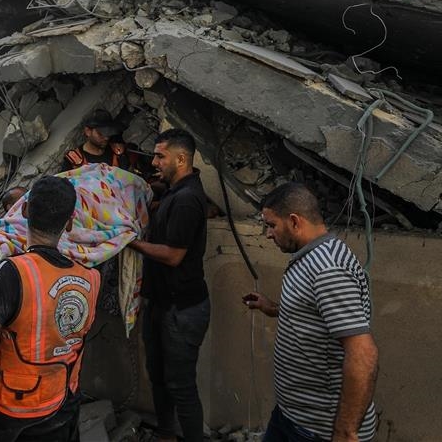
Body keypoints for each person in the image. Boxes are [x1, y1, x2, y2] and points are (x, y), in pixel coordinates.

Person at [0, 176, 101, 442]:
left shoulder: (12, 272)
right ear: (70, 222)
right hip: (65, 405)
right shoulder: (91, 278)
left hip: (18, 416)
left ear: (24, 211)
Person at [243, 182, 378, 442]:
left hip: (318, 429)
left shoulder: (328, 269)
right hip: (292, 415)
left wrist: (345, 432)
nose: (268, 234)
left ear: (294, 221)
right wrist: (273, 308)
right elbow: (317, 314)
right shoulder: (311, 257)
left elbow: (363, 353)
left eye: (271, 225)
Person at [127, 128, 210, 442]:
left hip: (181, 310)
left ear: (181, 159)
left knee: (181, 386)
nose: (155, 162)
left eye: (161, 156)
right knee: (159, 377)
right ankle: (165, 434)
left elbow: (174, 256)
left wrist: (130, 242)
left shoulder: (187, 199)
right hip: (161, 304)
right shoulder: (176, 192)